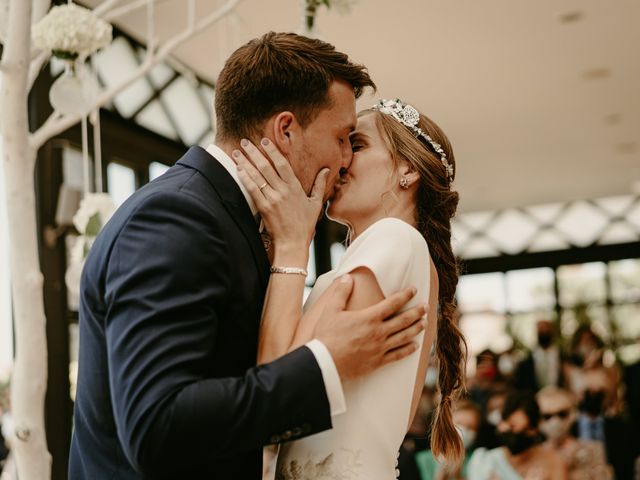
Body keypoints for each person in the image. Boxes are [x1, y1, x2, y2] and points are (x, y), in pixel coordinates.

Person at [69, 33, 430, 479]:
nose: (343, 160)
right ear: (285, 130)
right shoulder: (176, 217)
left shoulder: (233, 220)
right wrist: (325, 362)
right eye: (341, 138)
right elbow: (156, 426)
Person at [233, 97, 466, 479]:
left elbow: (275, 383)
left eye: (357, 145)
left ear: (407, 169)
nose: (341, 160)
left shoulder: (394, 239)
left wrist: (294, 242)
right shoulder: (395, 252)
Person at [468, 390, 567, 480]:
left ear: (534, 430)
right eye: (509, 425)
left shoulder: (553, 463)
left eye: (522, 428)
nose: (513, 433)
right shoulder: (485, 462)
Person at [537, 386, 612, 480]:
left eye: (562, 414)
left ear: (573, 414)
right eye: (546, 416)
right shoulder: (534, 456)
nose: (555, 421)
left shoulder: (594, 450)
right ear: (538, 420)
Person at [415, 399, 481, 480]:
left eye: (471, 427)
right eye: (459, 423)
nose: (464, 431)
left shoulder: (477, 460)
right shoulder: (423, 460)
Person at [513, 320, 564, 393]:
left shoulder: (561, 355)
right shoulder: (528, 359)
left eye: (546, 329)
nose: (544, 332)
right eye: (541, 330)